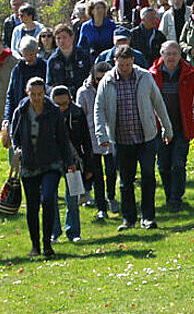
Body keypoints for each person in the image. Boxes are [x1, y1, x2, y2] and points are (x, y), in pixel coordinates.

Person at [94, 44, 174, 232]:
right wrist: (101, 134)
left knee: (148, 176)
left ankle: (148, 217)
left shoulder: (145, 77)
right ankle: (129, 218)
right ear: (115, 62)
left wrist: (167, 128)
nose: (124, 69)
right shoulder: (107, 81)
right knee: (125, 181)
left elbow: (158, 103)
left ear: (133, 61)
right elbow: (99, 109)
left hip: (146, 137)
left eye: (127, 65)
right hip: (121, 140)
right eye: (121, 65)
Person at [9, 77, 72, 258]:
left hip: (51, 162)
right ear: (27, 93)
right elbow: (15, 135)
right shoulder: (21, 111)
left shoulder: (53, 111)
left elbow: (62, 137)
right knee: (32, 206)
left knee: (47, 199)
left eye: (40, 94)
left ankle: (47, 243)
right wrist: (18, 149)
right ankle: (35, 245)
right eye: (33, 94)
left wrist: (69, 162)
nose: (37, 98)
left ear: (44, 93)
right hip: (29, 164)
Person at [150, 41, 194, 213]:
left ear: (180, 55)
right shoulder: (152, 74)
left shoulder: (191, 74)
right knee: (163, 164)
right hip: (159, 128)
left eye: (174, 54)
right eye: (167, 54)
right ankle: (170, 193)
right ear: (162, 55)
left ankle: (176, 198)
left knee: (178, 163)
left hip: (181, 126)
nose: (171, 57)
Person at [50, 85, 89, 243]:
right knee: (51, 198)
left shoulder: (78, 112)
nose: (61, 108)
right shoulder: (46, 115)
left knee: (72, 198)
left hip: (73, 160)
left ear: (70, 100)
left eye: (64, 104)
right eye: (57, 105)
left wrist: (89, 164)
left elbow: (86, 139)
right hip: (51, 161)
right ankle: (54, 232)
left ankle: (73, 232)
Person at [77, 61, 115, 220]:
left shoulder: (114, 86)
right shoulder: (84, 92)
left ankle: (111, 197)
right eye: (98, 78)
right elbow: (80, 117)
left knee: (112, 172)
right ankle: (101, 207)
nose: (100, 82)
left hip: (111, 135)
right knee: (97, 174)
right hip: (92, 139)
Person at [5, 37, 48, 125]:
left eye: (31, 54)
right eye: (25, 54)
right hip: (22, 113)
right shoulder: (17, 70)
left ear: (37, 52)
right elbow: (11, 95)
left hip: (43, 113)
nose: (28, 57)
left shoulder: (45, 67)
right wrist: (8, 117)